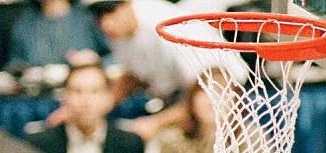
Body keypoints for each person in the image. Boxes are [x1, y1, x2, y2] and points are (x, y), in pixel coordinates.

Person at [82, 0, 248, 141]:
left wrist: (155, 123)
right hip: (176, 96)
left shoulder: (165, 26)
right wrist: (95, 105)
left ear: (127, 3)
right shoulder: (120, 32)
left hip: (227, 95)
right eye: (99, 17)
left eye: (110, 12)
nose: (105, 23)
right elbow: (133, 76)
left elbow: (202, 97)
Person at [27, 63, 155, 153]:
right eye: (77, 91)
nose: (86, 100)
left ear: (108, 98)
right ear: (64, 98)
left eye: (95, 91)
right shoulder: (39, 145)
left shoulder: (130, 144)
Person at [9, 0, 112, 67]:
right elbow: (14, 63)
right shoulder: (24, 24)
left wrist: (95, 62)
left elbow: (115, 57)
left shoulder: (88, 18)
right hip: (38, 94)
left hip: (83, 90)